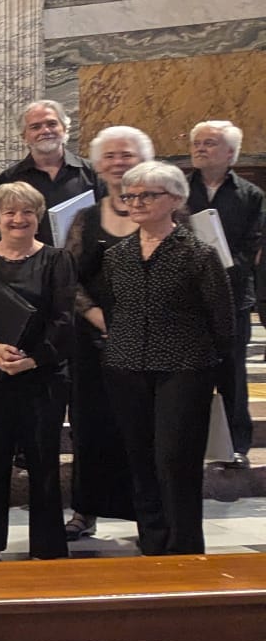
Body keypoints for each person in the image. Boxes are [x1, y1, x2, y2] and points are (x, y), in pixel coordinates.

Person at [94, 160, 234, 556]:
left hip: (184, 368)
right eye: (130, 196)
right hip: (126, 367)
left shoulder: (199, 254)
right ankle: (154, 546)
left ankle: (185, 549)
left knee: (175, 461)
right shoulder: (117, 255)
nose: (136, 202)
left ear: (174, 200)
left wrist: (216, 373)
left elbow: (222, 322)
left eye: (146, 195)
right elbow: (113, 307)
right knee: (139, 461)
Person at [0, 182, 77, 561]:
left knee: (44, 461)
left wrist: (34, 358)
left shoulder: (57, 259)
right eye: (10, 212)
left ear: (38, 217)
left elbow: (64, 318)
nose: (18, 219)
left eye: (27, 212)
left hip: (44, 376)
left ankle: (47, 545)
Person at [65, 125, 155, 539]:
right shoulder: (84, 217)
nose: (119, 164)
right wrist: (98, 315)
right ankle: (86, 511)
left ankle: (149, 511)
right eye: (112, 156)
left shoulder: (167, 213)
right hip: (93, 339)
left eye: (128, 155)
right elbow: (69, 277)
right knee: (91, 425)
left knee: (144, 428)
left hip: (153, 341)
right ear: (99, 165)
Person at [186, 119, 261, 465]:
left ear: (231, 153)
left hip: (232, 295)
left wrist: (222, 267)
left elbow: (252, 246)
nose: (200, 148)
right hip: (185, 296)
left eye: (210, 143)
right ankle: (190, 441)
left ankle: (237, 446)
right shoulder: (178, 190)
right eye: (197, 143)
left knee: (232, 372)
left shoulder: (251, 195)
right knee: (187, 374)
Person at [0, 101, 101, 245]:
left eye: (52, 124)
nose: (45, 131)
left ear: (65, 129)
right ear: (24, 136)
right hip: (30, 264)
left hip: (83, 262)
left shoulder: (93, 173)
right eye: (35, 127)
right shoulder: (8, 180)